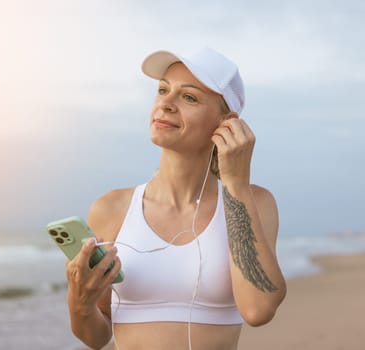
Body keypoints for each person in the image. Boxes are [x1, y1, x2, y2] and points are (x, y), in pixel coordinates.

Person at [65, 47, 287, 350]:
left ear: (226, 121)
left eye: (189, 97)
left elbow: (258, 309)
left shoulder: (253, 202)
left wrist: (235, 183)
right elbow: (97, 335)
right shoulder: (112, 208)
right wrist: (79, 302)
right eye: (162, 90)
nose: (166, 104)